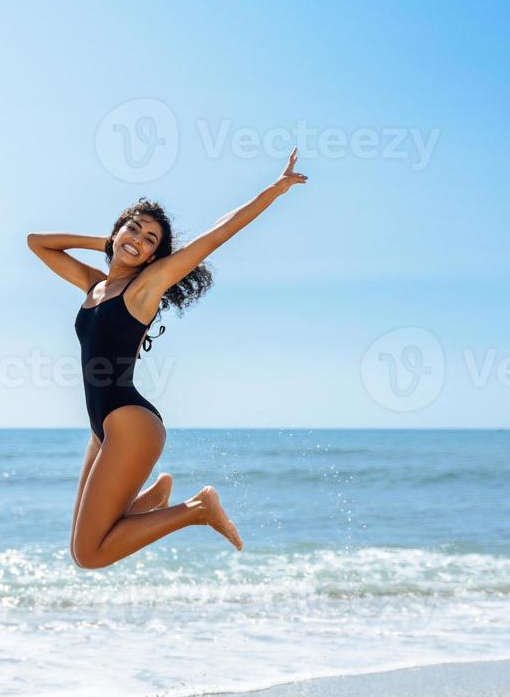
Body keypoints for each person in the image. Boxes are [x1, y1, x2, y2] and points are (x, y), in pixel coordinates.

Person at [27, 150, 308, 569]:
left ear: (156, 258)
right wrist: (104, 243)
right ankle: (155, 499)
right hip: (102, 430)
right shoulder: (95, 286)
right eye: (132, 229)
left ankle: (198, 508)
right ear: (118, 228)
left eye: (148, 240)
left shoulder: (145, 288)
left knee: (91, 554)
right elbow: (38, 243)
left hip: (131, 424)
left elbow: (216, 235)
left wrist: (275, 189)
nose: (136, 240)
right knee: (80, 547)